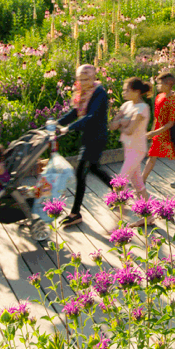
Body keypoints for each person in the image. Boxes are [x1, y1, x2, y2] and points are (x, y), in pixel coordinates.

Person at [57, 64, 112, 228]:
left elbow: (91, 116)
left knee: (81, 172)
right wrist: (56, 123)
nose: (83, 81)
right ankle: (120, 190)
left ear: (94, 77)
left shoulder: (99, 93)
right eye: (80, 78)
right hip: (88, 136)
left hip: (97, 137)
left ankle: (75, 213)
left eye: (86, 78)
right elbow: (75, 112)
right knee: (94, 168)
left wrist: (69, 128)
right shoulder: (82, 93)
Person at [142, 73, 175, 188]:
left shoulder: (172, 100)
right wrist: (153, 131)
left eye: (160, 83)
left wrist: (155, 132)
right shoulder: (159, 97)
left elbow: (171, 122)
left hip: (170, 133)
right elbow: (157, 117)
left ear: (168, 84)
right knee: (152, 155)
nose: (157, 85)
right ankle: (142, 180)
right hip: (159, 132)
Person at [110, 77, 151, 198]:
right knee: (138, 184)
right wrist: (124, 121)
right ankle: (146, 208)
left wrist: (121, 123)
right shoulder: (126, 105)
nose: (124, 93)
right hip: (128, 148)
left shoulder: (142, 108)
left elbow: (129, 130)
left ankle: (115, 202)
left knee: (120, 180)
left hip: (137, 149)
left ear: (137, 91)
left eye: (127, 90)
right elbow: (112, 125)